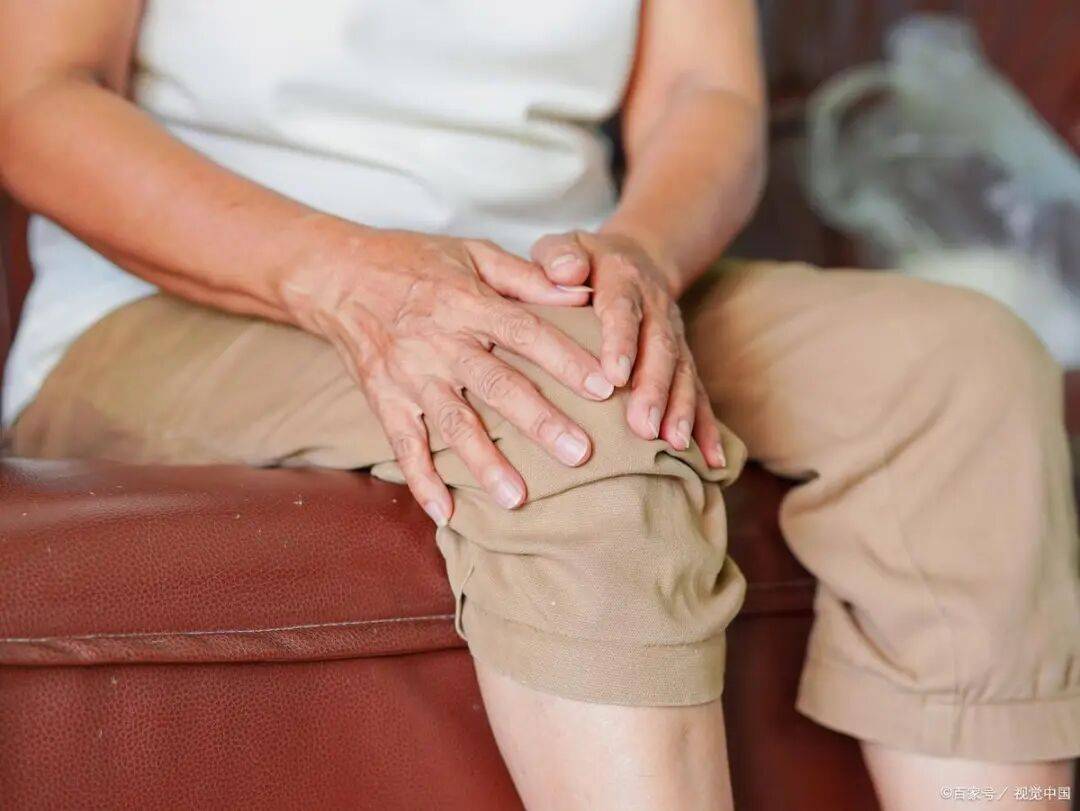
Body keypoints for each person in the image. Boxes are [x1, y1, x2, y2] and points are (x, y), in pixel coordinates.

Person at [0, 2, 1075, 808]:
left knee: (963, 368)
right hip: (187, 296)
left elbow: (705, 91)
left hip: (557, 277)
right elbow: (35, 96)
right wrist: (353, 279)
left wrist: (641, 255)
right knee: (565, 405)